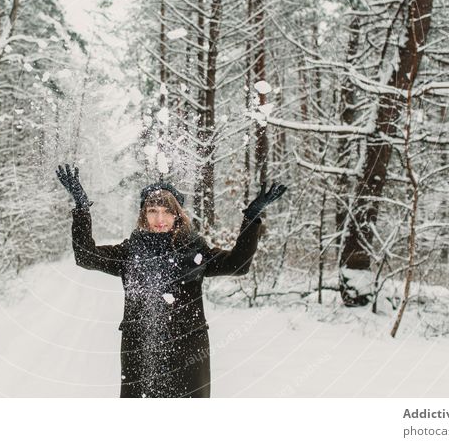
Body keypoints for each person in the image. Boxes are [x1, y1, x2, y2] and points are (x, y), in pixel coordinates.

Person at [56, 164, 287, 398]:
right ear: (143, 215)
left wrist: (252, 218)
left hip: (188, 355)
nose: (160, 218)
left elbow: (238, 265)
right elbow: (86, 256)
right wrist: (82, 208)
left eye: (167, 212)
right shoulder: (130, 252)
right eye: (152, 211)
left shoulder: (194, 251)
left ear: (177, 215)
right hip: (141, 352)